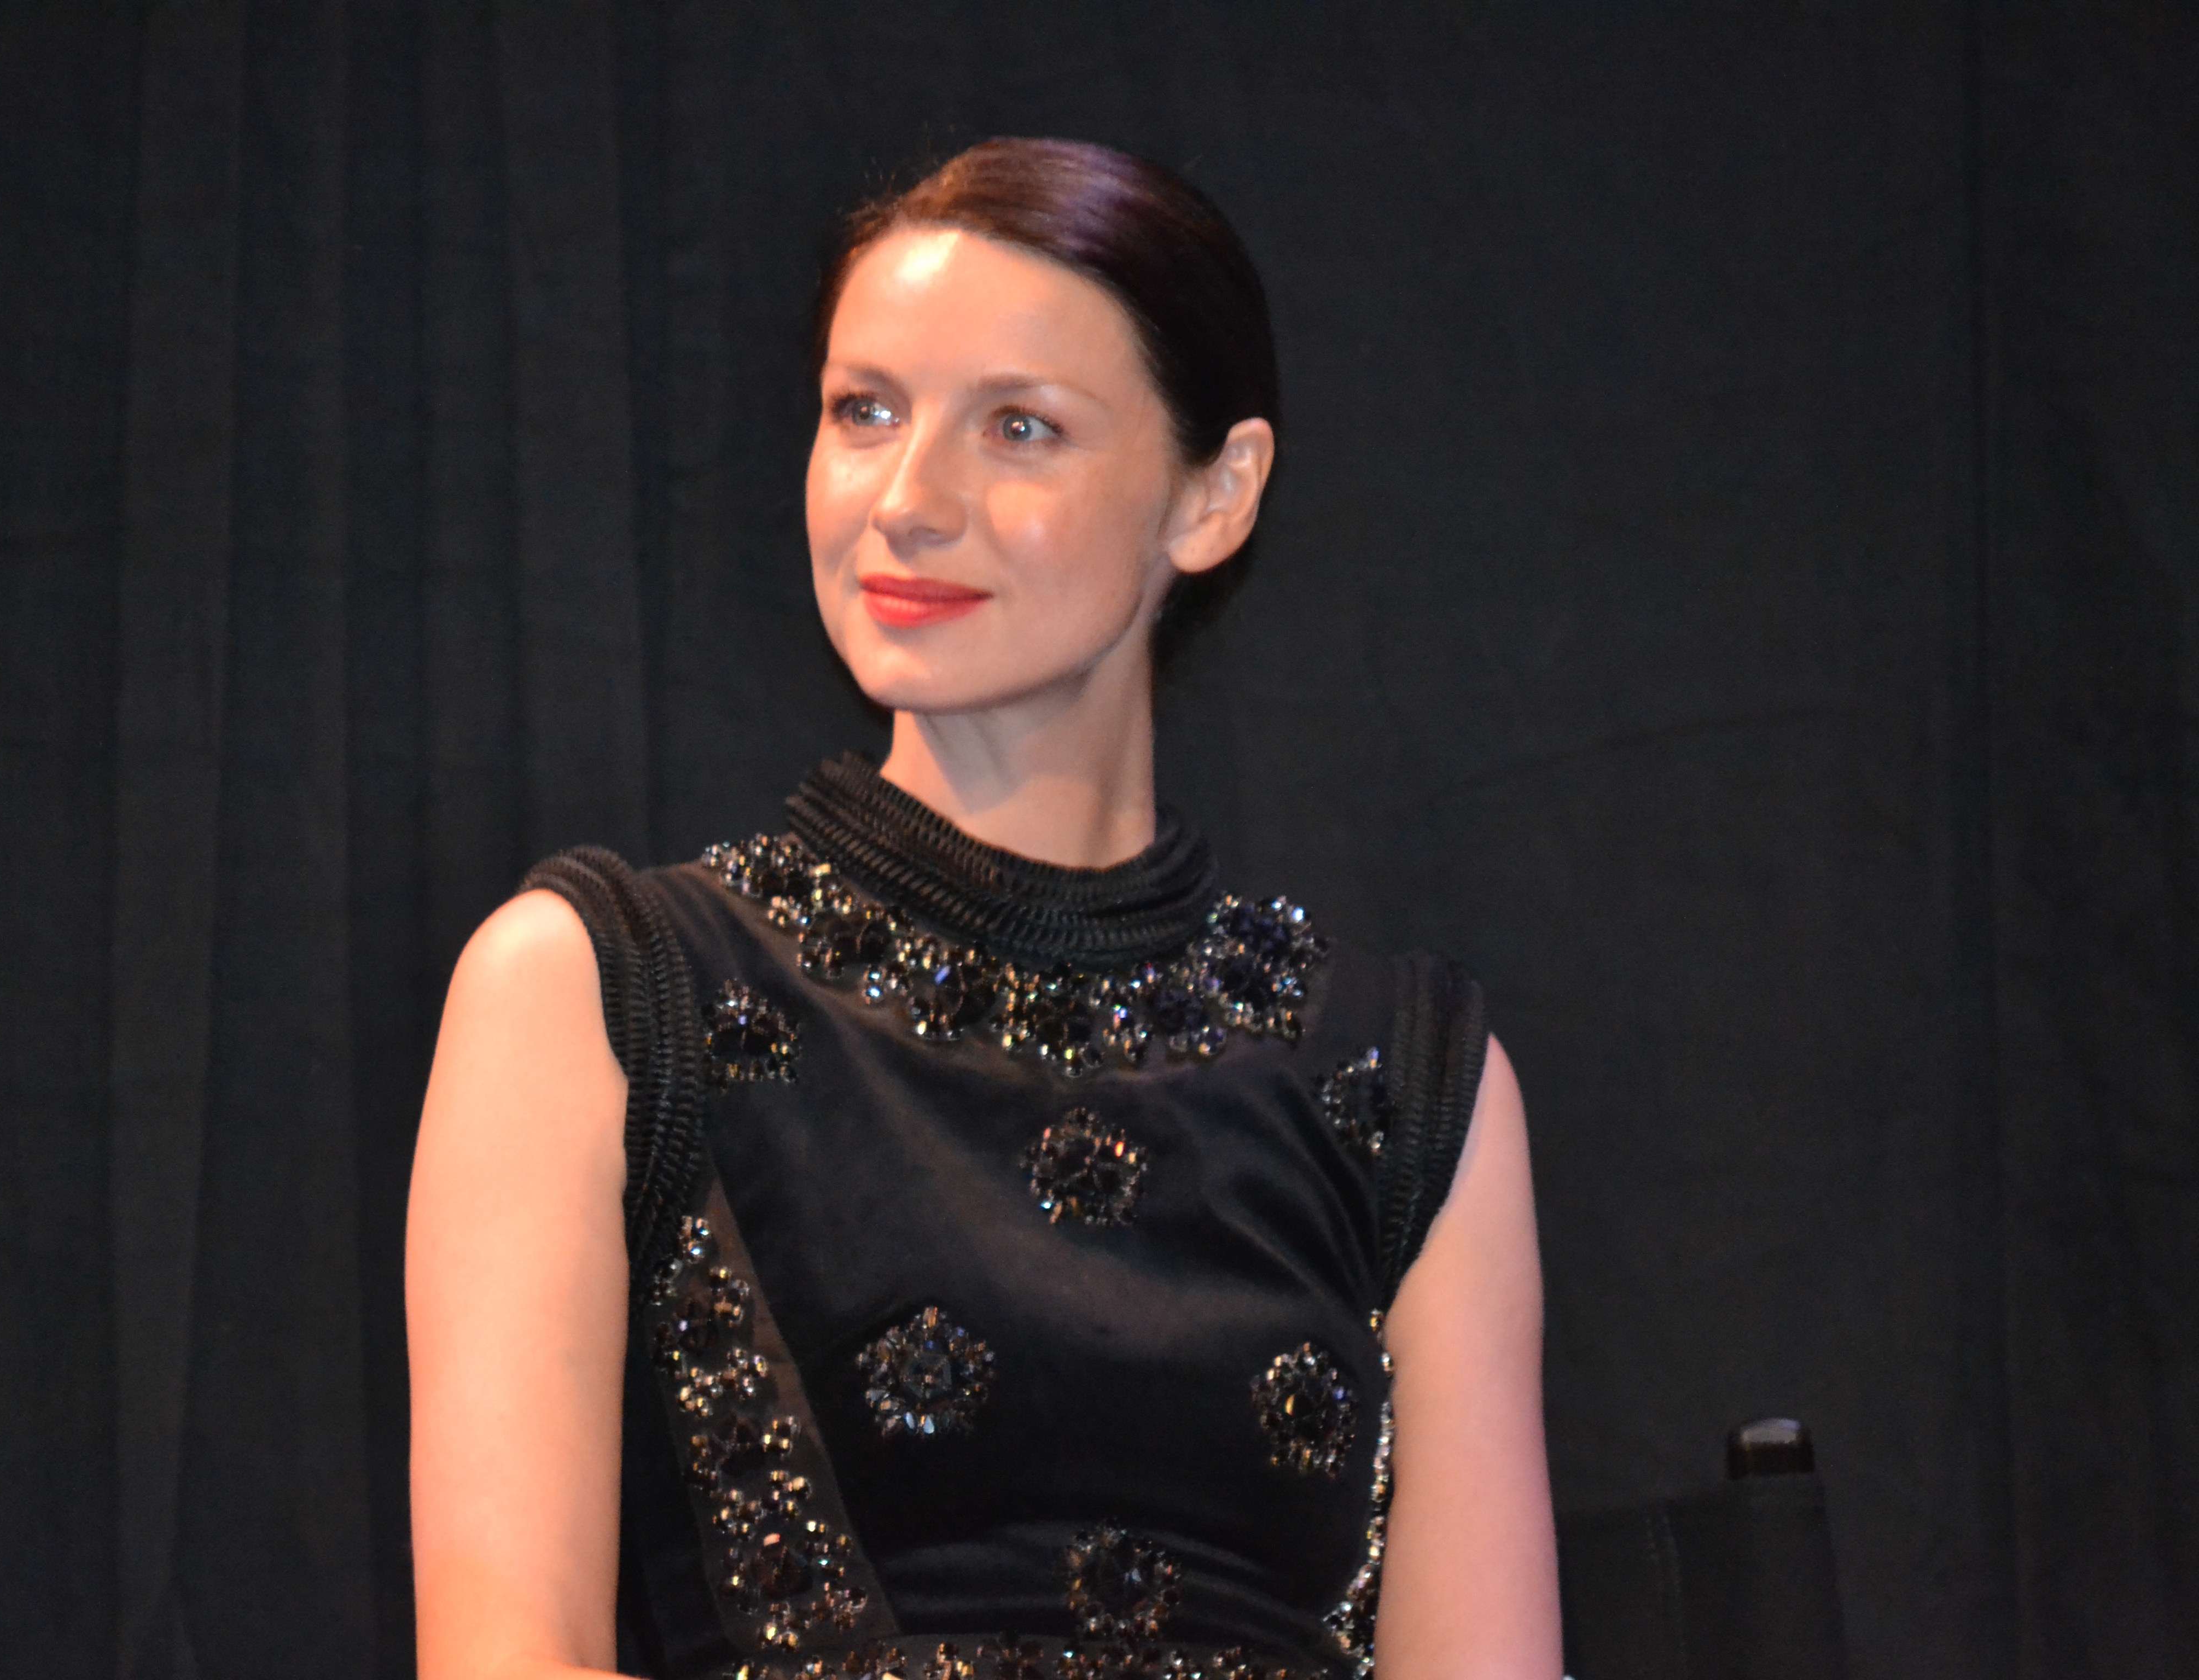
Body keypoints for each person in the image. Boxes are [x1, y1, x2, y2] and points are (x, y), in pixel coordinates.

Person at [406, 138, 1558, 1680]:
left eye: (1020, 428)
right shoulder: (595, 992)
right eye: (864, 412)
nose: (908, 500)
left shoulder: (1404, 1083)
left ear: (1215, 495)